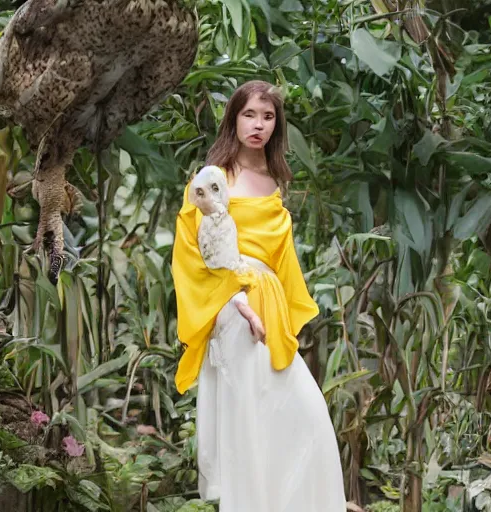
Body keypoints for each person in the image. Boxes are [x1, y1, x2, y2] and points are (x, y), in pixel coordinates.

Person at [170, 80, 347, 512]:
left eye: (268, 117)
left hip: (267, 309)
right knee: (248, 424)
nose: (259, 125)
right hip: (233, 309)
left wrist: (283, 319)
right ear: (234, 118)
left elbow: (280, 261)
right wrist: (235, 304)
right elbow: (192, 254)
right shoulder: (214, 179)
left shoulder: (273, 180)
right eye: (249, 114)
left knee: (302, 420)